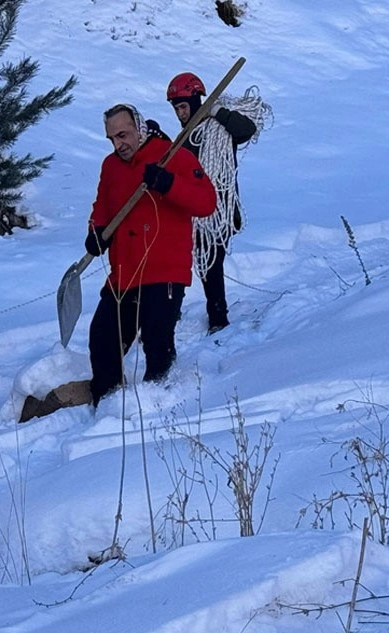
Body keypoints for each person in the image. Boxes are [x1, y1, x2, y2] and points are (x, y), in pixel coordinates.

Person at [84, 104, 216, 402]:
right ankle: (106, 403)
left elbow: (206, 202)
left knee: (157, 340)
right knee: (103, 339)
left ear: (139, 128)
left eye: (123, 135)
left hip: (164, 269)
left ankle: (159, 402)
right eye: (112, 139)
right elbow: (102, 206)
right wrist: (97, 231)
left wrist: (169, 184)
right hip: (124, 274)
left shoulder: (174, 156)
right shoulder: (111, 166)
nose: (119, 144)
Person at [166, 72, 257, 333]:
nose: (180, 114)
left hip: (220, 210)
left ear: (197, 101)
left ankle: (218, 318)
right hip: (192, 210)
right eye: (176, 109)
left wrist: (217, 112)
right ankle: (172, 312)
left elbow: (247, 129)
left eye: (183, 107)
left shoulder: (220, 129)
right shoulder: (185, 140)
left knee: (211, 263)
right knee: (181, 260)